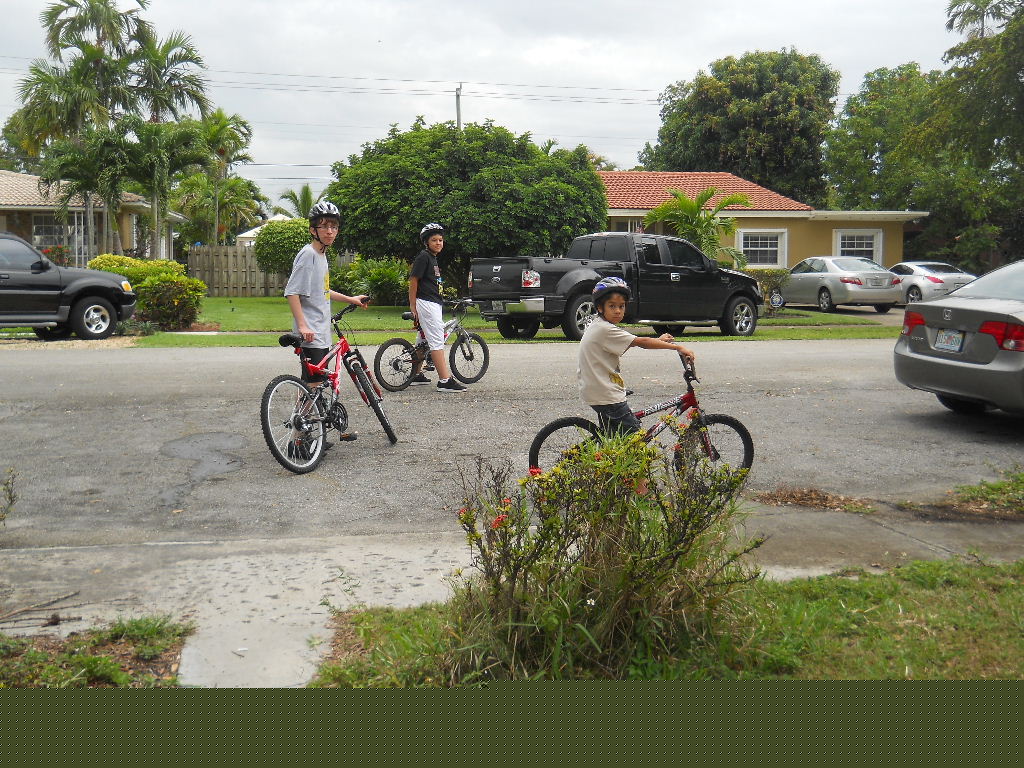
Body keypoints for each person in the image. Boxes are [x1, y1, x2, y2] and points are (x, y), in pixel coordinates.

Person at [284, 201, 369, 444]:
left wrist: (351, 298)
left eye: (334, 226)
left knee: (317, 385)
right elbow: (292, 292)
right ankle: (298, 440)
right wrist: (302, 326)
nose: (330, 231)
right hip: (310, 332)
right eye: (324, 227)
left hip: (321, 330)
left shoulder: (321, 256)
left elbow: (323, 290)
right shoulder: (308, 254)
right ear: (313, 230)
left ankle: (315, 434)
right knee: (311, 386)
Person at [578, 276, 695, 435]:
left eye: (621, 306)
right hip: (605, 393)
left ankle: (611, 456)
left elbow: (628, 343)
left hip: (596, 389)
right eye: (612, 306)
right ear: (600, 307)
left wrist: (657, 341)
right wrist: (678, 348)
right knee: (635, 439)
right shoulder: (605, 329)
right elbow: (641, 341)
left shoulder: (599, 325)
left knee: (615, 436)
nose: (618, 310)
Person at [408, 222, 466, 392]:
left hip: (433, 302)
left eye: (441, 240)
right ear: (427, 242)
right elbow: (413, 280)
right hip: (426, 303)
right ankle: (444, 380)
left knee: (423, 341)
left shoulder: (432, 258)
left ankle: (416, 374)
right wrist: (413, 305)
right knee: (436, 340)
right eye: (434, 240)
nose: (439, 243)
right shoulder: (423, 257)